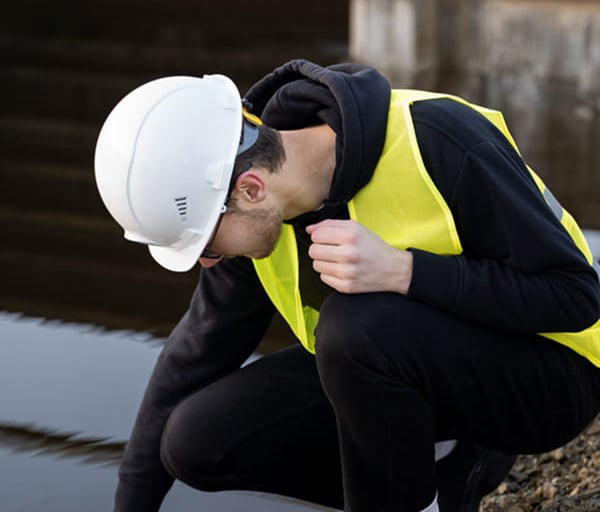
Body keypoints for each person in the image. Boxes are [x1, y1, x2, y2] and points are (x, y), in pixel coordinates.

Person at [94, 59, 600, 512]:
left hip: (551, 374)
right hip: (401, 371)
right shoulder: (252, 212)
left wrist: (407, 272)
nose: (208, 260)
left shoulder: (439, 139)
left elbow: (577, 295)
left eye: (205, 240)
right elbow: (191, 358)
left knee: (354, 326)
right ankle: (444, 479)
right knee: (194, 440)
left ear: (250, 189)